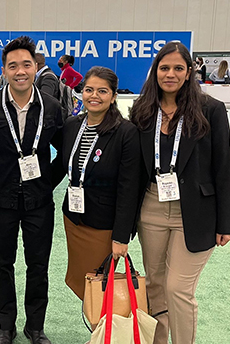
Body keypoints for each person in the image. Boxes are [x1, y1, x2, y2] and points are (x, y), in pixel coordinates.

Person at [130, 42, 230, 344]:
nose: (171, 74)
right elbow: (135, 167)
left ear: (189, 72)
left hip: (197, 211)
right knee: (155, 285)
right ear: (156, 71)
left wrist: (226, 223)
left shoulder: (210, 109)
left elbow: (223, 167)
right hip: (151, 207)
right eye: (165, 68)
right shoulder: (143, 109)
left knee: (178, 288)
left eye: (178, 68)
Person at [0, 36, 63, 344]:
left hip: (39, 202)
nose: (20, 71)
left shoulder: (52, 107)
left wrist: (45, 184)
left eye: (26, 64)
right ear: (4, 70)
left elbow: (63, 154)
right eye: (13, 66)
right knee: (3, 264)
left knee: (38, 265)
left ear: (35, 67)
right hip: (1, 201)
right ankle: (6, 326)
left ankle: (35, 327)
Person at [52, 66, 141, 300]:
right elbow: (63, 166)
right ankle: (98, 331)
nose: (94, 96)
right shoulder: (72, 126)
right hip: (74, 218)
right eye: (89, 89)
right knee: (85, 283)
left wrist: (121, 236)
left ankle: (104, 333)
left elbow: (129, 188)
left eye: (102, 91)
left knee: (101, 286)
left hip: (104, 226)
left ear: (113, 96)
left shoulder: (126, 132)